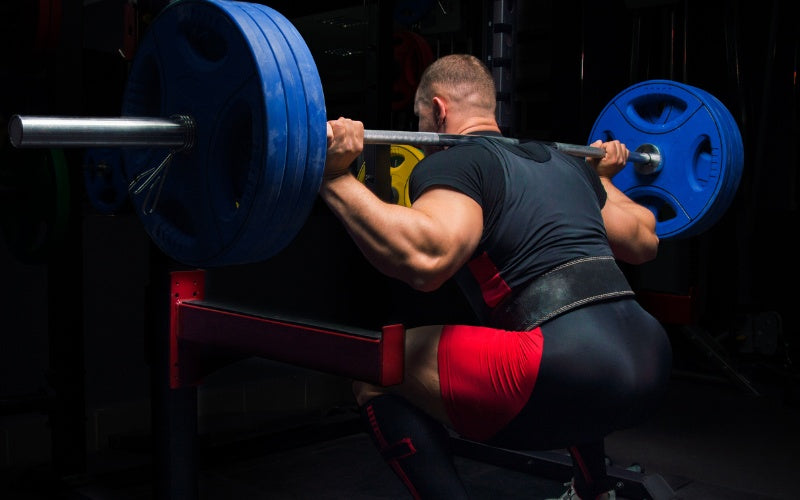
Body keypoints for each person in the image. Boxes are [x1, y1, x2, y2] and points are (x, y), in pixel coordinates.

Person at [319, 53, 672, 500]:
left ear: (439, 110)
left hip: (560, 367)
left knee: (374, 370)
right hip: (649, 357)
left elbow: (428, 260)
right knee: (571, 344)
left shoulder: (454, 162)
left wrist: (335, 176)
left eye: (421, 118)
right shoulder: (564, 164)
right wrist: (603, 179)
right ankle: (593, 491)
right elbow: (644, 240)